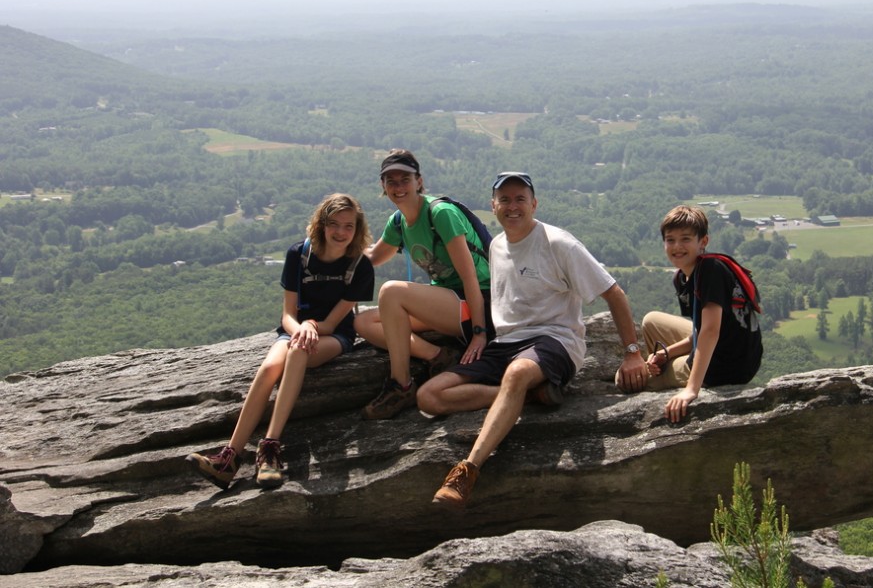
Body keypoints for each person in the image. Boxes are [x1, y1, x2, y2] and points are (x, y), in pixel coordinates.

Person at [417, 171, 644, 509]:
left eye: (520, 199)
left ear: (534, 204)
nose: (512, 206)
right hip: (505, 345)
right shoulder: (495, 246)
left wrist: (632, 353)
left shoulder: (558, 243)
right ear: (493, 206)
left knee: (517, 374)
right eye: (504, 200)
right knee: (428, 397)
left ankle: (468, 470)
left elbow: (614, 293)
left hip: (556, 340)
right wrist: (480, 335)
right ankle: (525, 395)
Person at [186, 193, 374, 489]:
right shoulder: (299, 255)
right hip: (295, 330)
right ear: (322, 224)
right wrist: (300, 327)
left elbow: (333, 322)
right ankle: (229, 457)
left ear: (357, 228)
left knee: (298, 352)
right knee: (269, 368)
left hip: (335, 335)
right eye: (334, 224)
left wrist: (310, 326)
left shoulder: (359, 266)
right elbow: (287, 314)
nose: (341, 232)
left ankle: (269, 449)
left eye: (349, 226)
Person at [355, 149, 492, 420]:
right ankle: (438, 356)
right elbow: (372, 257)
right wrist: (330, 245)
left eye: (404, 179)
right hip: (448, 302)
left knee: (391, 292)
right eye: (391, 181)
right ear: (383, 186)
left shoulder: (440, 214)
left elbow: (470, 277)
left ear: (419, 181)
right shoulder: (399, 222)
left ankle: (401, 385)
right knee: (363, 323)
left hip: (480, 301)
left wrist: (479, 332)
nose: (398, 187)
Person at [618, 205, 762, 424]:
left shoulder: (710, 271)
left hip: (726, 368)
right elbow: (699, 331)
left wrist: (691, 390)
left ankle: (669, 374)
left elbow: (711, 330)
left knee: (625, 379)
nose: (677, 247)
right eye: (670, 240)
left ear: (703, 241)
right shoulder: (684, 277)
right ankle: (662, 364)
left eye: (685, 239)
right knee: (651, 321)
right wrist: (666, 354)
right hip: (736, 348)